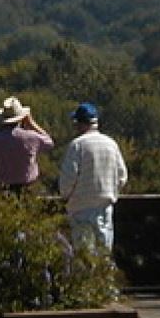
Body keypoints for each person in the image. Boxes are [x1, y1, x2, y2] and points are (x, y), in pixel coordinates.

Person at [58, 102, 128, 252]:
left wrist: (67, 197)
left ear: (80, 123)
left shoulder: (77, 146)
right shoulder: (111, 144)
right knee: (103, 255)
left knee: (84, 257)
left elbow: (67, 180)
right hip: (104, 208)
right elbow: (122, 176)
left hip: (80, 209)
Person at [0, 96, 54, 192]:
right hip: (29, 187)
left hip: (4, 188)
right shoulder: (30, 137)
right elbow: (49, 142)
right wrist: (31, 123)